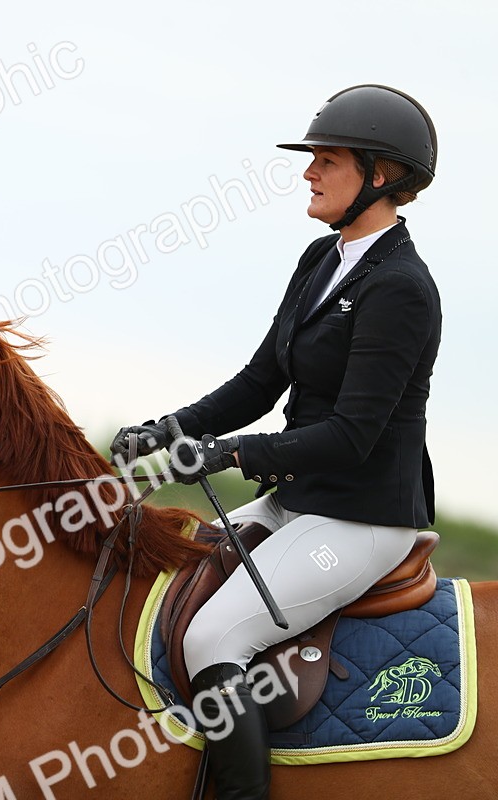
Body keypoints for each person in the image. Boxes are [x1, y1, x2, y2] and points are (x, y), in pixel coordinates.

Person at [110, 84, 440, 799]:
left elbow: (353, 435)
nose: (308, 172)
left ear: (379, 176)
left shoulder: (403, 289)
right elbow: (262, 379)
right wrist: (169, 429)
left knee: (213, 639)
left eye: (326, 160)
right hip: (298, 503)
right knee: (168, 581)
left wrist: (231, 456)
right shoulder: (322, 261)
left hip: (359, 520)